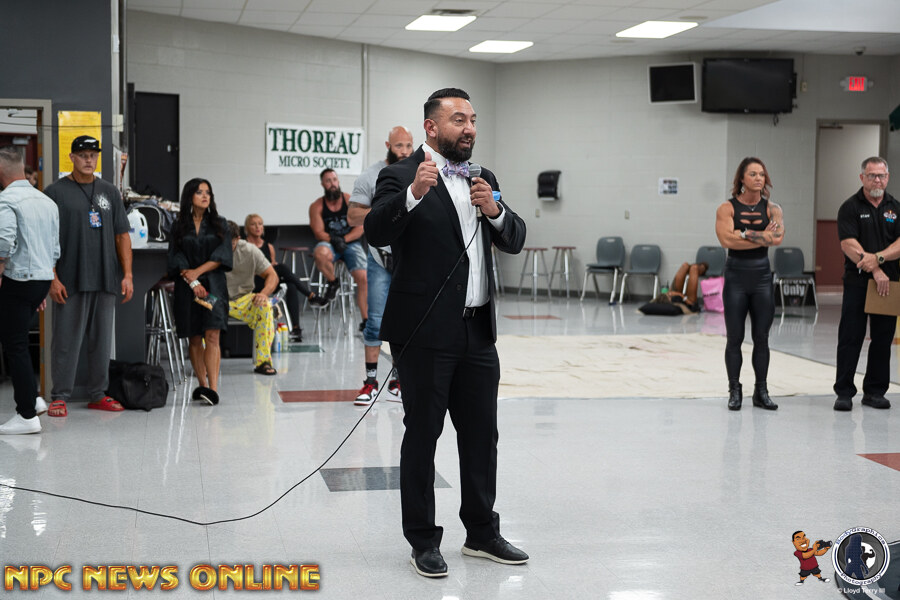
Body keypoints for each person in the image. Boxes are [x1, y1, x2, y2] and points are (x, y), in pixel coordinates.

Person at [365, 88, 528, 578]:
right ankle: (423, 540)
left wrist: (495, 210)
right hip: (424, 332)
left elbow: (515, 238)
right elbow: (376, 231)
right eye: (459, 119)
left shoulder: (484, 178)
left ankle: (481, 532)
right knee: (423, 435)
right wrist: (413, 194)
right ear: (431, 127)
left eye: (473, 119)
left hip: (477, 331)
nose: (470, 128)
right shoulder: (400, 175)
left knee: (481, 435)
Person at [44, 135, 133, 417]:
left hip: (105, 278)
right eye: (83, 155)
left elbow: (122, 235)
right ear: (71, 157)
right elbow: (45, 238)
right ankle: (59, 396)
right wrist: (52, 277)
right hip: (70, 279)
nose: (88, 159)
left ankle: (98, 394)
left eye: (93, 155)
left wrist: (128, 275)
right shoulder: (54, 192)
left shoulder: (109, 191)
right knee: (65, 341)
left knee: (101, 341)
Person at [347, 126, 414, 405]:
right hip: (379, 258)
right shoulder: (370, 176)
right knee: (375, 321)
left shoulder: (419, 171)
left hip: (409, 258)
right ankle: (370, 382)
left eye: (409, 145)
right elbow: (353, 216)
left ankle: (399, 381)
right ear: (388, 145)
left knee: (406, 321)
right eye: (399, 146)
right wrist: (385, 210)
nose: (405, 151)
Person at [715, 157, 784, 411]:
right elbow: (727, 241)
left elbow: (776, 239)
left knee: (761, 338)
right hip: (736, 277)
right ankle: (734, 390)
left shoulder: (773, 209)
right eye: (753, 174)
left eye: (762, 174)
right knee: (735, 338)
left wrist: (743, 233)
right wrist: (762, 236)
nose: (758, 178)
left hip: (762, 277)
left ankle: (761, 391)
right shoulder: (727, 208)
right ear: (742, 179)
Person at [0, 147, 59, 434]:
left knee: (15, 345)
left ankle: (26, 416)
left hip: (17, 279)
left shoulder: (6, 200)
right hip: (41, 280)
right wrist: (40, 285)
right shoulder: (47, 202)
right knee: (17, 340)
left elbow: (3, 242)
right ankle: (33, 399)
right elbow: (54, 249)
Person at [834, 157, 898, 411]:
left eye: (881, 175)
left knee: (883, 339)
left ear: (888, 177)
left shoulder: (895, 208)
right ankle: (844, 392)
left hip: (888, 285)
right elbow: (848, 244)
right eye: (872, 176)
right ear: (862, 178)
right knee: (851, 337)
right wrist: (875, 270)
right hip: (858, 282)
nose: (877, 180)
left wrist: (879, 259)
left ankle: (874, 392)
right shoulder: (850, 207)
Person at [168, 178, 232, 406]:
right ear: (190, 196)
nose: (205, 196)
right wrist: (192, 280)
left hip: (213, 284)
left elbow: (222, 255)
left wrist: (197, 272)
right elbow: (176, 256)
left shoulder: (220, 224)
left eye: (208, 192)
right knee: (194, 336)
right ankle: (202, 385)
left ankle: (213, 389)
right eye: (199, 192)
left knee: (212, 335)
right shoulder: (178, 225)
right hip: (188, 287)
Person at [243, 213, 327, 342]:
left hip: (269, 283)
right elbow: (243, 271)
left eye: (260, 224)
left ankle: (296, 328)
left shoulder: (269, 247)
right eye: (253, 224)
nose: (257, 227)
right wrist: (266, 269)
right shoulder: (244, 246)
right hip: (253, 282)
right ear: (247, 228)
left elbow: (272, 271)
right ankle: (310, 295)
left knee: (290, 285)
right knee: (281, 267)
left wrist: (270, 269)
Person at [309, 168, 367, 329]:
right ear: (322, 184)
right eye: (328, 181)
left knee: (364, 278)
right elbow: (318, 232)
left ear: (338, 181)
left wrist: (344, 239)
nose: (332, 184)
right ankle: (333, 282)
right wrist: (334, 240)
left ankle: (366, 320)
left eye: (334, 180)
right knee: (320, 253)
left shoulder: (350, 200)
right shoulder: (317, 206)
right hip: (329, 243)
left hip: (350, 242)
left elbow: (360, 227)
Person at [226, 220, 278, 375]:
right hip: (216, 298)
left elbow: (272, 275)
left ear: (238, 239)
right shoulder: (209, 248)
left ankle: (263, 362)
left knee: (265, 306)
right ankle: (205, 363)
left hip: (243, 299)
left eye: (230, 244)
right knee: (203, 306)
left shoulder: (249, 250)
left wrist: (264, 293)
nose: (225, 247)